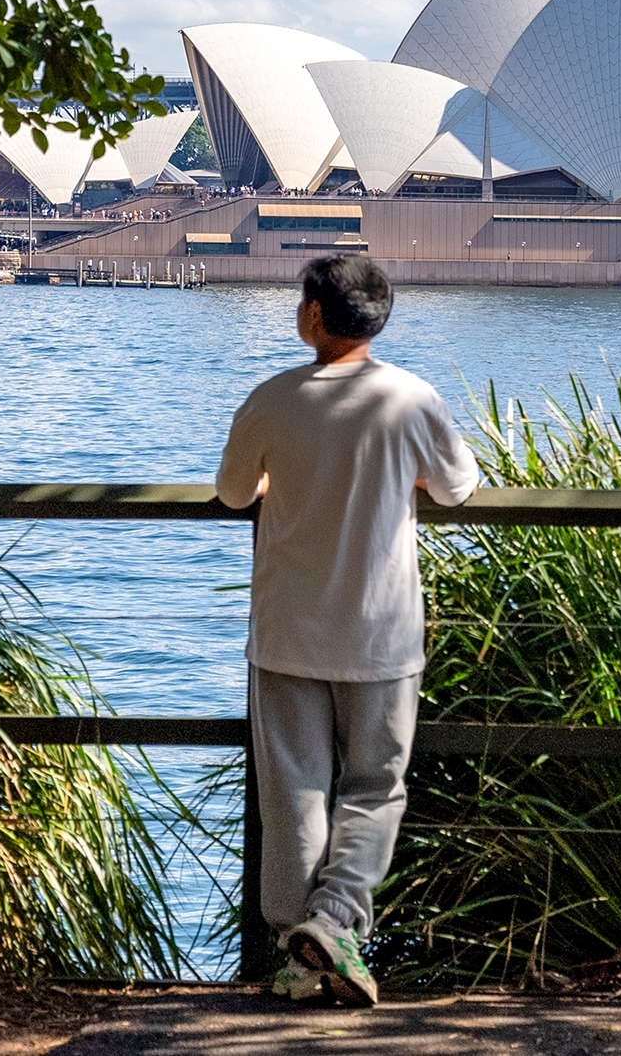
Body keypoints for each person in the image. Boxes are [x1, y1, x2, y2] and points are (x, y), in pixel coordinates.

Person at [215, 254, 480, 1008]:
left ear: (312, 317)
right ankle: (333, 924)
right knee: (376, 788)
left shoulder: (271, 400)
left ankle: (297, 956)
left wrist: (278, 481)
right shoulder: (411, 400)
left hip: (289, 631)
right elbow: (458, 488)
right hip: (382, 633)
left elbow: (235, 493)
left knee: (295, 792)